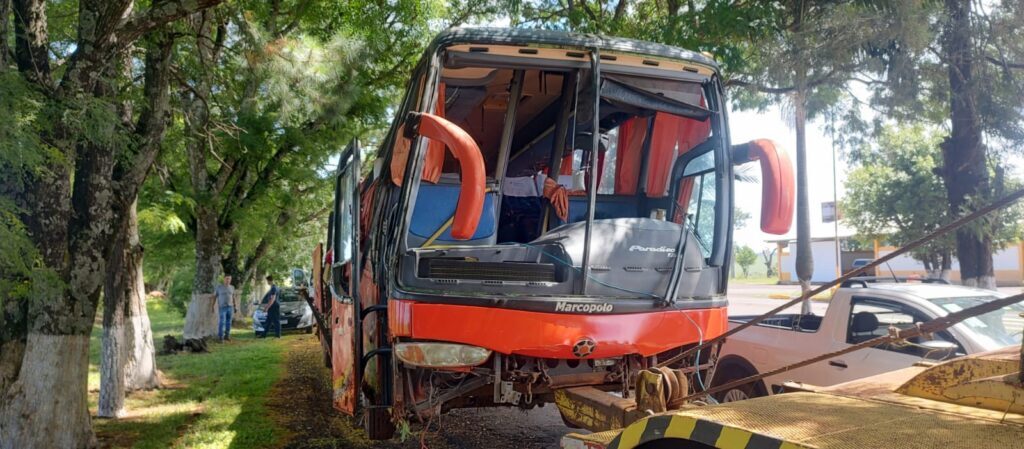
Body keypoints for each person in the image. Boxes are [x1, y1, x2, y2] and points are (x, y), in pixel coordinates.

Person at [215, 275, 235, 342]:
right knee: (222, 322)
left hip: (230, 307)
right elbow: (215, 297)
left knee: (229, 322)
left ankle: (227, 336)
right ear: (224, 279)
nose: (228, 280)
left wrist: (235, 306)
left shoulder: (232, 287)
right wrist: (212, 306)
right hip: (222, 307)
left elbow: (233, 297)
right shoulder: (219, 287)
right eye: (227, 279)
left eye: (229, 279)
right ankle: (221, 337)